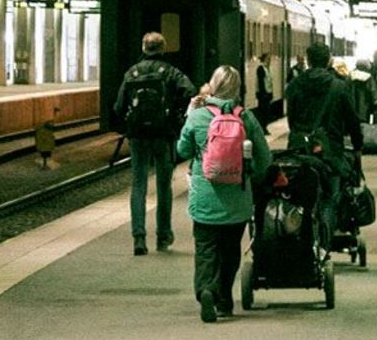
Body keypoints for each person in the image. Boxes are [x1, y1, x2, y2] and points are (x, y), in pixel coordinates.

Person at [176, 64, 271, 322]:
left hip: (205, 197)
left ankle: (206, 289)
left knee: (206, 249)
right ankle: (225, 300)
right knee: (230, 250)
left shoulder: (197, 116)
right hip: (238, 198)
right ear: (237, 89)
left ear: (213, 85)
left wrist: (190, 117)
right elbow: (264, 159)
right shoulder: (246, 117)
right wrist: (251, 175)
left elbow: (182, 150)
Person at [113, 31, 194, 256]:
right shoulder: (169, 71)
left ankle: (139, 237)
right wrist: (176, 113)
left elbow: (118, 107)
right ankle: (163, 235)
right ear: (162, 49)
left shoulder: (132, 72)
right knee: (163, 186)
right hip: (163, 134)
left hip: (138, 136)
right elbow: (189, 90)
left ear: (143, 48)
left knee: (138, 184)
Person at [284, 42, 363, 249]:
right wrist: (357, 145)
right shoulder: (340, 86)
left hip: (299, 151)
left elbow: (291, 120)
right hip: (331, 152)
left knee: (299, 196)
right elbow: (352, 120)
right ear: (329, 60)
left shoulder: (294, 85)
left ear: (308, 60)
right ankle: (324, 245)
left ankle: (301, 239)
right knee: (329, 197)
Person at [254, 52, 272, 125]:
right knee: (263, 111)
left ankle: (264, 126)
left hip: (267, 93)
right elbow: (261, 82)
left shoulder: (266, 69)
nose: (269, 60)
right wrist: (264, 93)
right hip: (263, 94)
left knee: (266, 111)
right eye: (268, 59)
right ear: (264, 59)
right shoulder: (261, 68)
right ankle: (262, 126)